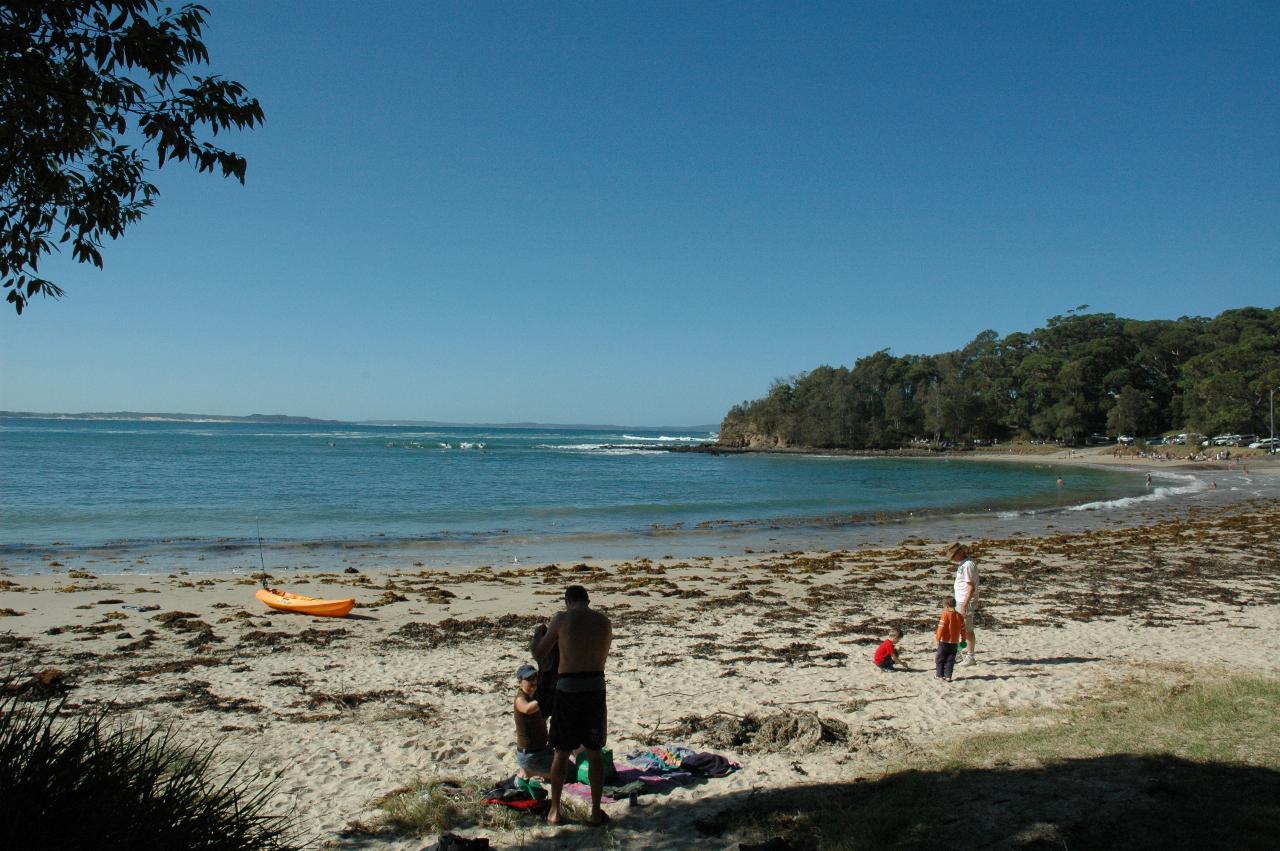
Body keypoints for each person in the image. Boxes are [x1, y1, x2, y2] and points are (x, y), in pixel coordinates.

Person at [533, 584, 613, 827]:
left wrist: (537, 636)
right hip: (596, 687)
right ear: (587, 600)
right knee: (594, 752)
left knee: (561, 752)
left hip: (568, 688)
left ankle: (555, 812)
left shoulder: (562, 618)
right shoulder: (604, 622)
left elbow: (540, 653)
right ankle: (596, 812)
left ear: (568, 601)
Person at [513, 664, 553, 779]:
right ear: (520, 681)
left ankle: (528, 771)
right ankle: (529, 772)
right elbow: (527, 708)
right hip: (531, 755)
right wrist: (544, 701)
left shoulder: (533, 696)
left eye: (535, 677)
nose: (534, 681)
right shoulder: (520, 698)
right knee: (563, 773)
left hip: (540, 750)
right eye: (529, 678)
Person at [944, 541, 979, 666]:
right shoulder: (963, 564)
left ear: (959, 552)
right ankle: (959, 652)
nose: (953, 559)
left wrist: (964, 605)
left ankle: (970, 656)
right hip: (961, 600)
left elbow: (971, 587)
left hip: (965, 602)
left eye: (953, 556)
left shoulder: (968, 565)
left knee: (967, 630)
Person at [935, 596, 966, 682]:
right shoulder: (959, 616)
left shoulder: (945, 614)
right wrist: (963, 639)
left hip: (944, 641)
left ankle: (939, 675)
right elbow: (963, 629)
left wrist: (938, 638)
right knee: (950, 660)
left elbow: (941, 627)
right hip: (954, 642)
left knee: (940, 658)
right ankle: (948, 676)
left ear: (947, 605)